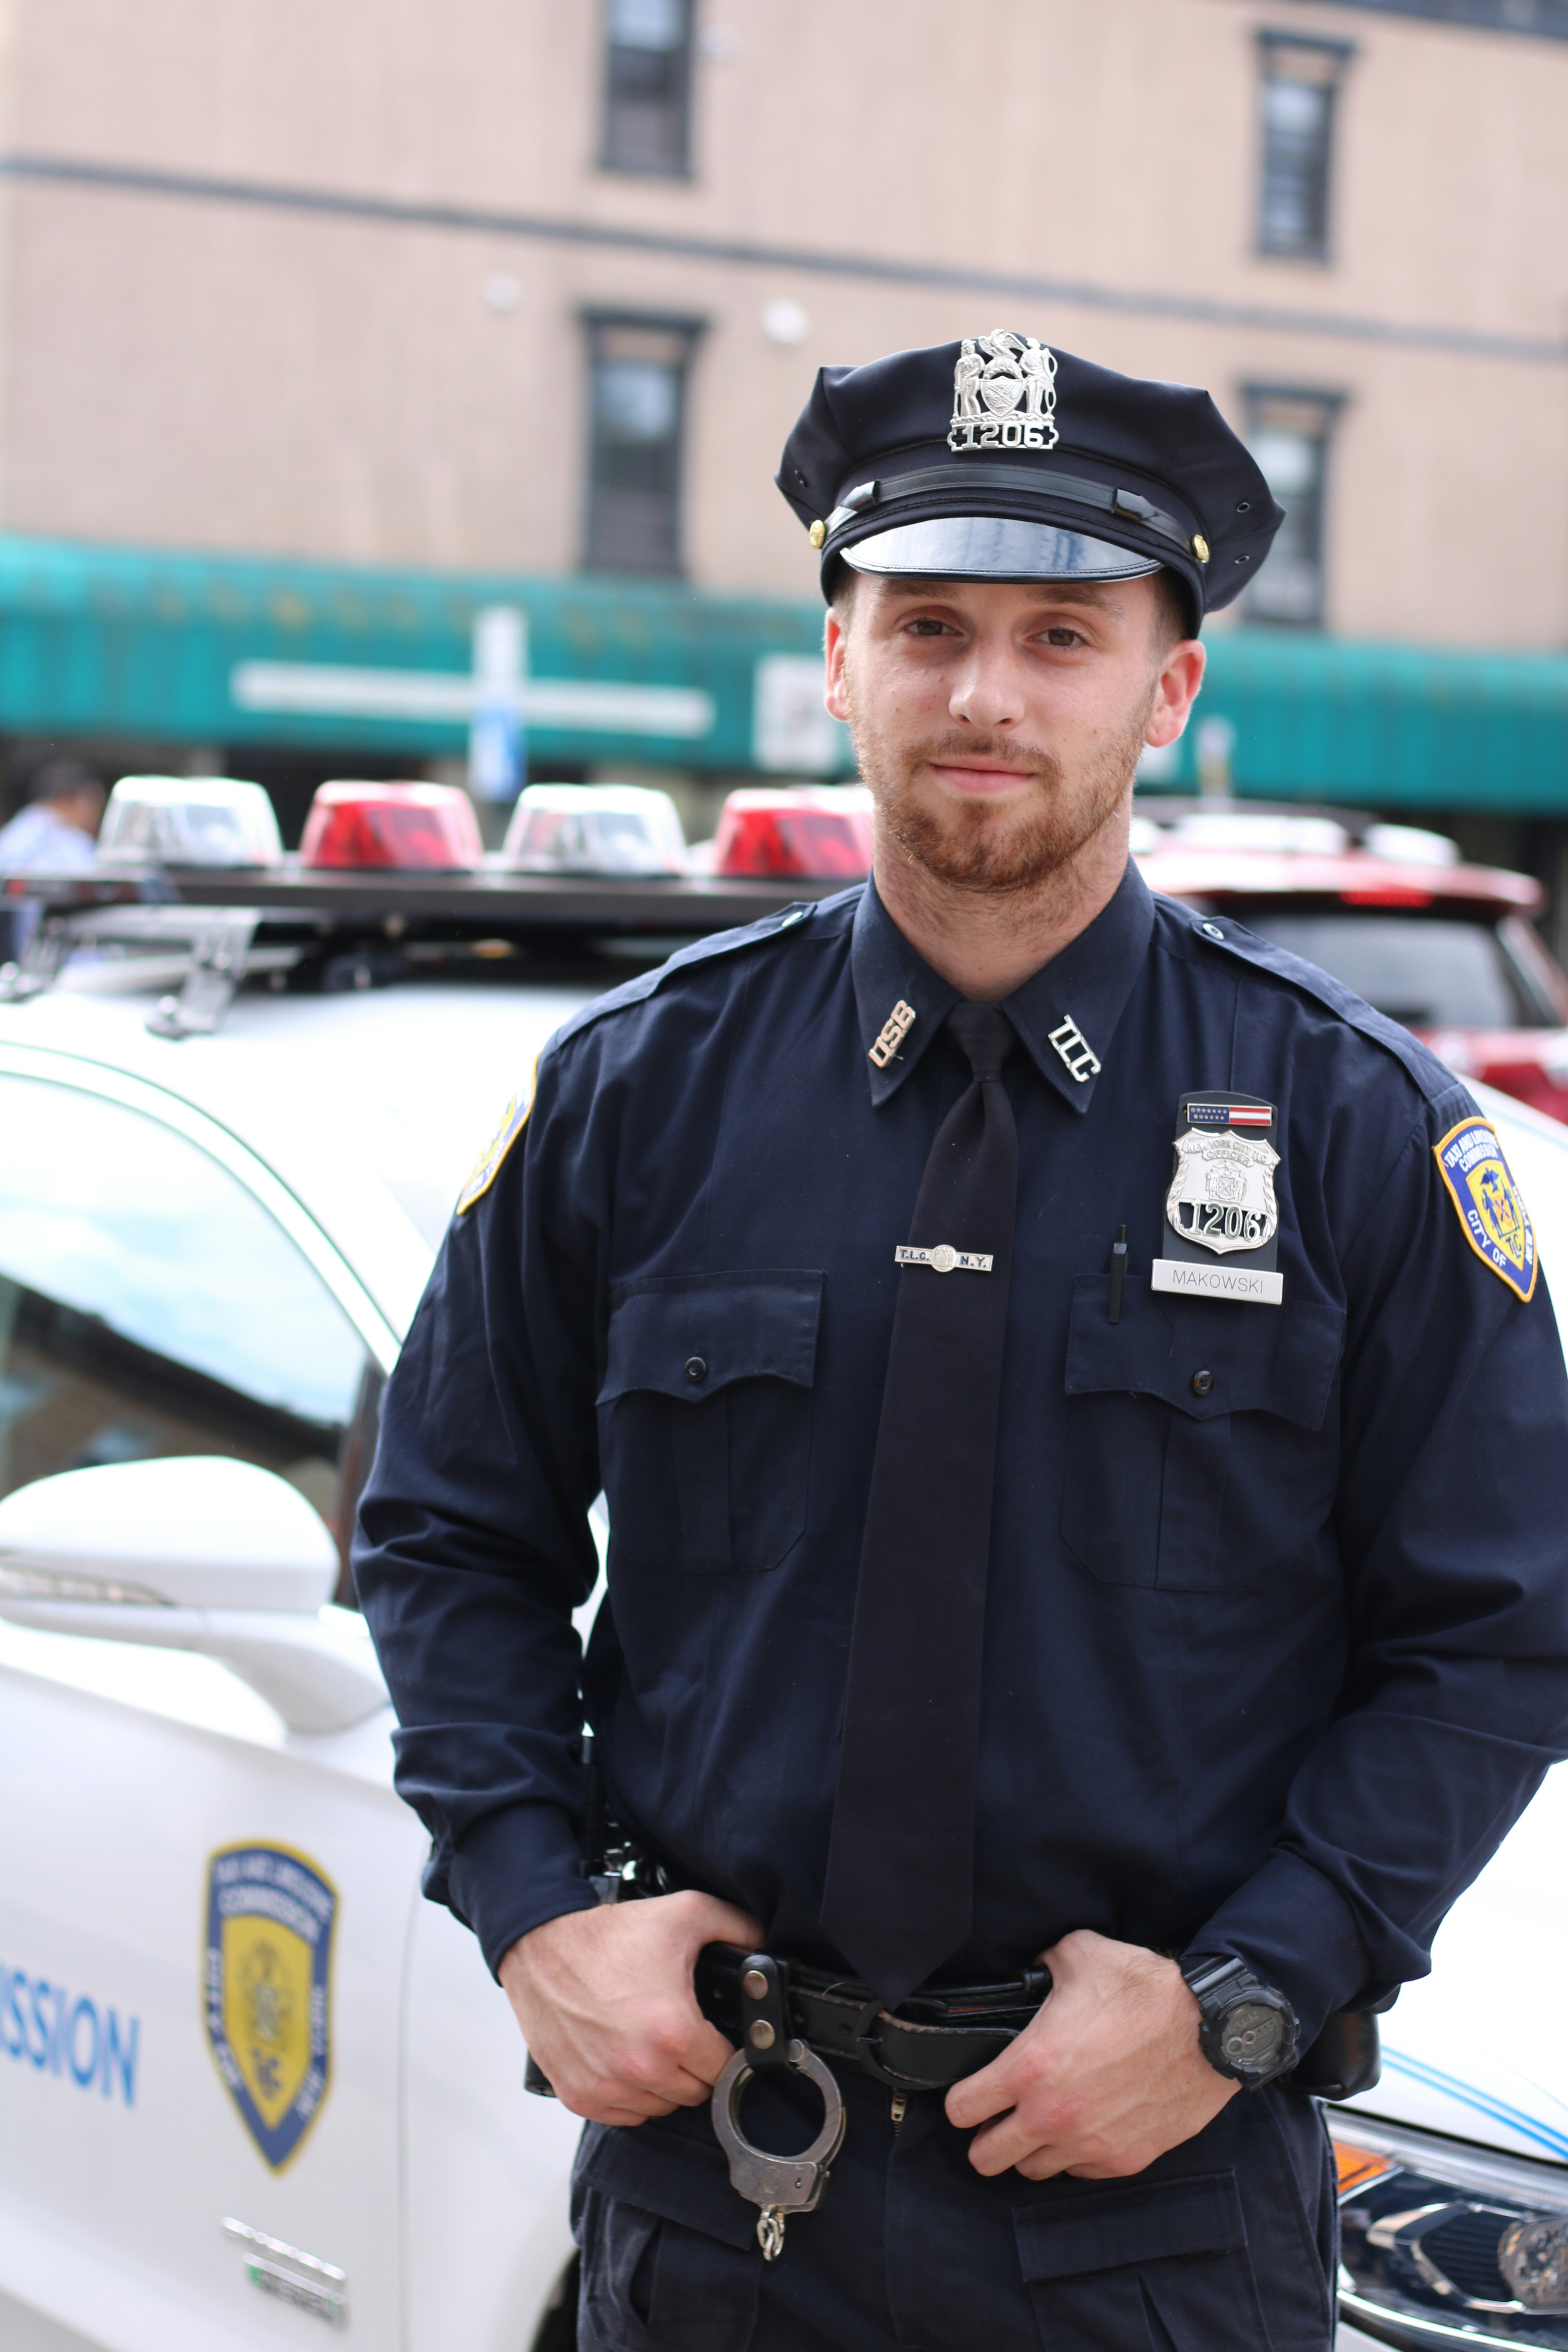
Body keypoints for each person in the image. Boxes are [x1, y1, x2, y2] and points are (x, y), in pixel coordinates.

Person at [354, 338, 1568, 2351]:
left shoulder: (1357, 1136)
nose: (983, 695)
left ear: (1166, 692)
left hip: (1151, 2213)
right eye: (922, 626)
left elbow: (1496, 1628)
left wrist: (1243, 1996)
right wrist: (528, 1911)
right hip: (718, 2186)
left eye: (1059, 636)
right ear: (835, 661)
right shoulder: (638, 1099)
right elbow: (444, 1534)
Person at [0, 759, 104, 962]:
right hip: (58, 977)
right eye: (93, 805)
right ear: (68, 800)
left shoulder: (11, 836)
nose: (96, 818)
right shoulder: (70, 844)